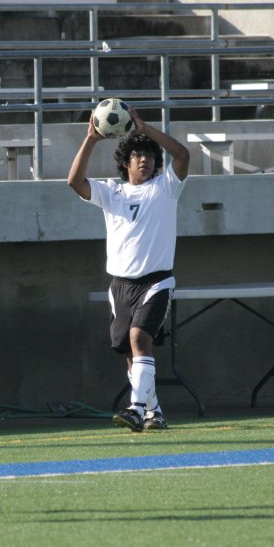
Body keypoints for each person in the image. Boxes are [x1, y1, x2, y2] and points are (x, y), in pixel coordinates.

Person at [67, 106, 190, 432]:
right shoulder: (111, 191)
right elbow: (75, 181)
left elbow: (182, 155)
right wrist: (91, 140)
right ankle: (155, 412)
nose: (144, 160)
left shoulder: (166, 187)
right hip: (121, 284)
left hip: (156, 281)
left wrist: (146, 129)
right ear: (125, 162)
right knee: (128, 352)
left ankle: (135, 409)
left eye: (148, 156)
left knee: (139, 339)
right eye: (136, 155)